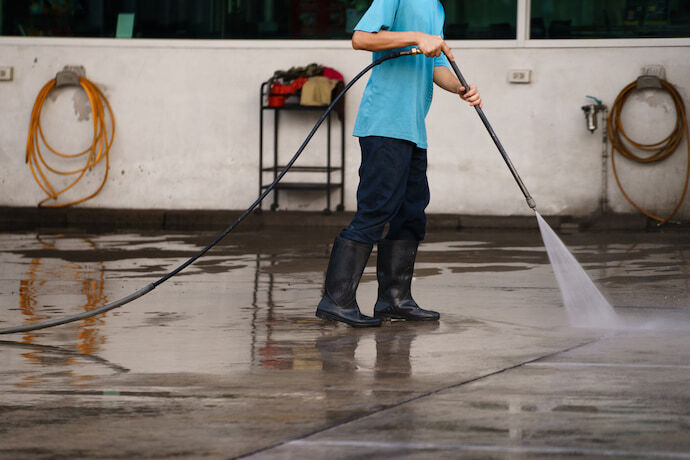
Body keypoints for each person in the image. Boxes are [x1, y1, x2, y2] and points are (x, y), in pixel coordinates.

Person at [315, 0, 482, 327]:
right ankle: (336, 300)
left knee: (411, 214)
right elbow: (361, 38)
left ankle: (395, 300)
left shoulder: (437, 8)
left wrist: (460, 88)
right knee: (377, 209)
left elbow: (433, 67)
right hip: (384, 125)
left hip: (412, 128)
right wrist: (417, 36)